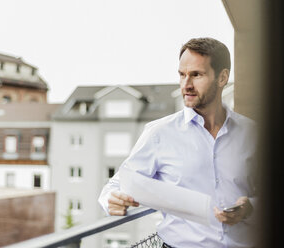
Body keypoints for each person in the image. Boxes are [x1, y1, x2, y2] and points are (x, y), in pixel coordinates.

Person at [98, 37, 257, 248]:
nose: (186, 85)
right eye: (182, 75)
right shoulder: (159, 133)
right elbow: (117, 185)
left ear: (222, 77)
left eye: (196, 75)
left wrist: (251, 208)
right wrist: (112, 200)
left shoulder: (253, 133)